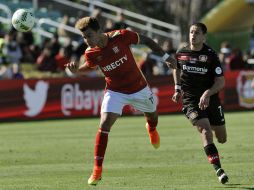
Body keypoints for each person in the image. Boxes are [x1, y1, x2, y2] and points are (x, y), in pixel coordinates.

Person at [65, 16, 176, 186]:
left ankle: (151, 128)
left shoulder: (121, 36)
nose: (86, 40)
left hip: (139, 88)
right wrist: (76, 71)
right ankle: (97, 170)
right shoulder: (91, 52)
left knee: (153, 117)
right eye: (84, 37)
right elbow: (89, 67)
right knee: (104, 124)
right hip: (115, 91)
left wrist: (166, 56)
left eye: (89, 35)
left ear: (98, 31)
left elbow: (146, 40)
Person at [172, 22, 229, 184]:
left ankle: (209, 126)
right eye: (191, 32)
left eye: (197, 33)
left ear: (204, 36)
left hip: (211, 98)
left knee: (222, 138)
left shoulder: (211, 55)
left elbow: (221, 81)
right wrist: (177, 88)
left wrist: (208, 92)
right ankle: (219, 170)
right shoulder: (181, 52)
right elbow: (175, 68)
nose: (193, 35)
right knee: (205, 131)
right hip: (190, 100)